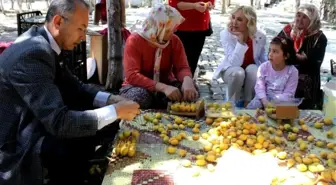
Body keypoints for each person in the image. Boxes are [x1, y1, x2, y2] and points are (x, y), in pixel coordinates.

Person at [0, 0, 140, 184]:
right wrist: (116, 112)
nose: (83, 37)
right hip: (16, 142)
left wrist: (111, 100)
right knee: (74, 143)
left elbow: (75, 87)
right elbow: (59, 123)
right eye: (81, 28)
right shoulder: (33, 54)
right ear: (58, 22)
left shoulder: (46, 41)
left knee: (96, 121)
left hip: (35, 120)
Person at [120, 4, 198, 109]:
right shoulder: (134, 40)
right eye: (171, 28)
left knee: (192, 91)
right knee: (140, 97)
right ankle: (158, 105)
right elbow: (132, 75)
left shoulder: (174, 41)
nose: (175, 31)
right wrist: (162, 87)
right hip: (138, 87)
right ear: (159, 27)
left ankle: (162, 104)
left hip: (167, 84)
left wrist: (187, 80)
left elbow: (182, 67)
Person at [213, 5, 267, 106]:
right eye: (233, 17)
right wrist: (240, 41)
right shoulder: (226, 34)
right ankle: (231, 104)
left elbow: (262, 58)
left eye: (239, 19)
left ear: (249, 22)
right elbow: (234, 63)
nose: (234, 22)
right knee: (238, 73)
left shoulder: (260, 36)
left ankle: (248, 102)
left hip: (250, 70)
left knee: (254, 69)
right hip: (231, 70)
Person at [277, 4, 327, 109]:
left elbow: (314, 65)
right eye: (298, 15)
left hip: (306, 79)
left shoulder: (319, 38)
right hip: (285, 72)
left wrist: (293, 57)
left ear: (312, 20)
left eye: (304, 17)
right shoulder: (288, 31)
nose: (299, 19)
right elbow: (275, 47)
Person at [247, 36, 299, 109]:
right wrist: (265, 101)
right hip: (262, 99)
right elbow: (259, 87)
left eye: (275, 51)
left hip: (282, 103)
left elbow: (288, 94)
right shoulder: (263, 67)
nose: (270, 54)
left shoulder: (292, 72)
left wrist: (273, 101)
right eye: (270, 50)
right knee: (254, 108)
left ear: (286, 56)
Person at [169, 0, 214, 77]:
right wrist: (194, 6)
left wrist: (209, 4)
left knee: (193, 60)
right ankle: (175, 83)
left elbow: (211, 2)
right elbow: (175, 4)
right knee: (177, 61)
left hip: (200, 27)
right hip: (182, 27)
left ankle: (188, 82)